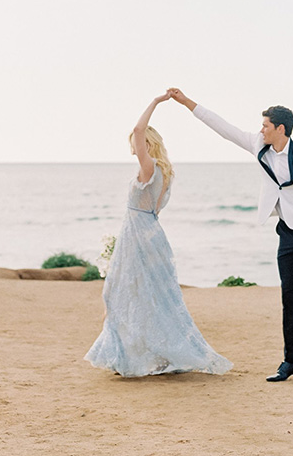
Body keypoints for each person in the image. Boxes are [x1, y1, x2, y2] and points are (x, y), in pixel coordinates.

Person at [168, 88, 293, 388]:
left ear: (280, 129)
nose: (261, 130)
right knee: (289, 298)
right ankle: (291, 361)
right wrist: (186, 103)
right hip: (286, 234)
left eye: (266, 125)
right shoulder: (259, 145)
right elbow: (224, 128)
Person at [84, 91, 233, 377]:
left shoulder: (149, 167)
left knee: (118, 293)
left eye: (136, 142)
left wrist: (155, 102)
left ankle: (127, 356)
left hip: (139, 237)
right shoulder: (165, 172)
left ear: (148, 143)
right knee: (150, 297)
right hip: (150, 233)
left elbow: (138, 129)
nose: (132, 144)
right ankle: (142, 355)